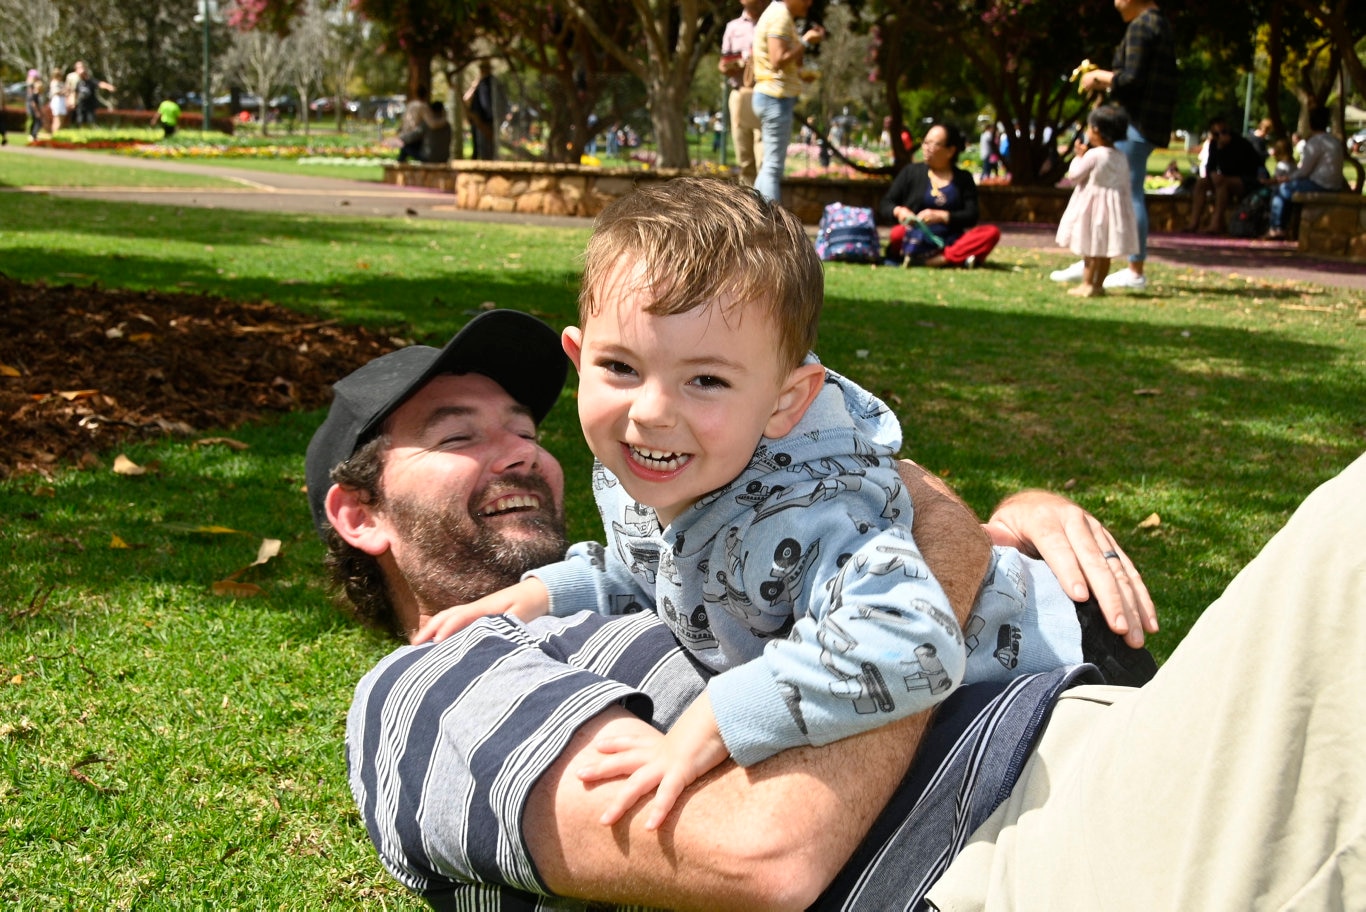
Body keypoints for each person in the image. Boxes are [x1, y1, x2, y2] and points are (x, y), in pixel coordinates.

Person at [327, 313, 1366, 910]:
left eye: (522, 425)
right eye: (457, 434)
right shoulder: (425, 689)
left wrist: (1004, 524)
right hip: (994, 855)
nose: (518, 449)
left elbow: (860, 535)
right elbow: (760, 850)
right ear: (359, 514)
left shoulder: (651, 557)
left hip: (1094, 748)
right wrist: (943, 552)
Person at [413, 179, 1121, 831]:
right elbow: (648, 568)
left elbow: (914, 640)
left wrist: (717, 719)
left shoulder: (809, 511)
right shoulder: (644, 472)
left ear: (786, 400)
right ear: (579, 356)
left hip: (1065, 665)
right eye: (621, 367)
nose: (652, 412)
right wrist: (539, 593)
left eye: (708, 381)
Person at [1061, 0, 1177, 291]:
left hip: (1135, 122)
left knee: (1124, 191)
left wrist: (1098, 77)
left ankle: (1132, 270)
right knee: (1124, 192)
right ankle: (1094, 258)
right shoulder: (1159, 23)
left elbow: (1132, 80)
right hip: (1149, 121)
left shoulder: (1141, 26)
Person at [878, 121, 1002, 268]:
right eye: (925, 143)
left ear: (950, 150)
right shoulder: (911, 172)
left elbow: (971, 215)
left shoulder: (963, 178)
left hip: (948, 239)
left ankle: (940, 259)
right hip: (914, 236)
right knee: (897, 233)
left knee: (991, 233)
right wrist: (899, 211)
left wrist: (942, 216)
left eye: (934, 144)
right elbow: (886, 203)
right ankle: (959, 258)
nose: (927, 148)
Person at [1055, 105, 1139, 298]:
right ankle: (1099, 285)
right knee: (1104, 251)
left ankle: (1087, 284)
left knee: (1090, 250)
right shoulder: (1120, 156)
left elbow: (1075, 175)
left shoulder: (1094, 155)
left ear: (1096, 130)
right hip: (1114, 207)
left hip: (1093, 207)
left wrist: (1078, 157)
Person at [750, 0, 825, 203]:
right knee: (773, 167)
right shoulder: (779, 17)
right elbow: (778, 59)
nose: (809, 3)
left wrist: (801, 69)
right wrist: (806, 41)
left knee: (769, 166)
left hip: (773, 97)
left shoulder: (780, 16)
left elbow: (787, 60)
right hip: (775, 98)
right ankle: (771, 226)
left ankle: (758, 217)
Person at [1266, 106, 1349, 240]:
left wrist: (1287, 178)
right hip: (1335, 184)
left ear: (1311, 124)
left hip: (1320, 184)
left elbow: (1304, 171)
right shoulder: (1334, 141)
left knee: (1282, 189)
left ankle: (1277, 228)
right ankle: (1283, 227)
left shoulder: (1314, 142)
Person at [1183, 115, 1263, 235]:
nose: (1220, 136)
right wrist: (1213, 173)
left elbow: (1238, 167)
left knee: (1223, 183)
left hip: (1244, 180)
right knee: (1201, 183)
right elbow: (1210, 165)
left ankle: (1215, 224)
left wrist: (1222, 150)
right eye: (1216, 134)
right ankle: (1194, 222)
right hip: (1222, 180)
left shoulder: (1241, 143)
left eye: (1223, 132)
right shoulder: (1214, 145)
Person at [719, 0, 768, 187]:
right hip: (740, 94)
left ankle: (767, 206)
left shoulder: (771, 23)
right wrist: (739, 63)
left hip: (766, 94)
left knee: (765, 157)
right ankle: (749, 207)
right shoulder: (733, 27)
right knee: (745, 158)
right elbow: (723, 64)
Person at [464, 62, 500, 160]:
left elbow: (486, 103)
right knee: (479, 147)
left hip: (484, 120)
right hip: (478, 119)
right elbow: (466, 98)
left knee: (486, 147)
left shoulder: (489, 82)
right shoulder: (480, 82)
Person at [397, 100, 452, 165]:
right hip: (444, 158)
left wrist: (400, 137)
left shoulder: (427, 124)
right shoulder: (447, 125)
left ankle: (399, 166)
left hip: (429, 158)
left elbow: (413, 136)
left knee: (405, 147)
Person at [69, 61, 114, 128]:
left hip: (90, 105)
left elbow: (100, 84)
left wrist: (108, 87)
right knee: (80, 121)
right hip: (81, 105)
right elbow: (74, 92)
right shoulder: (78, 82)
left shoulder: (91, 81)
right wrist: (72, 102)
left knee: (91, 121)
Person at [396, 85, 431, 162]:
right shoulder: (423, 106)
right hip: (414, 135)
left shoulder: (410, 105)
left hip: (405, 134)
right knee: (417, 154)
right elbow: (430, 122)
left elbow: (403, 119)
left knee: (403, 155)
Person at [47, 67, 68, 134]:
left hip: (61, 101)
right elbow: (56, 92)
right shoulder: (54, 82)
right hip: (57, 101)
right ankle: (55, 134)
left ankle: (58, 134)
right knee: (57, 119)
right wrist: (64, 91)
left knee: (61, 119)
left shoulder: (60, 82)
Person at [25, 70, 43, 141]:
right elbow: (32, 101)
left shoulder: (31, 86)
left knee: (35, 120)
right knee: (37, 121)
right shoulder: (31, 87)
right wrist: (36, 111)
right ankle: (33, 135)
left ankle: (33, 135)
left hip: (32, 106)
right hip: (33, 107)